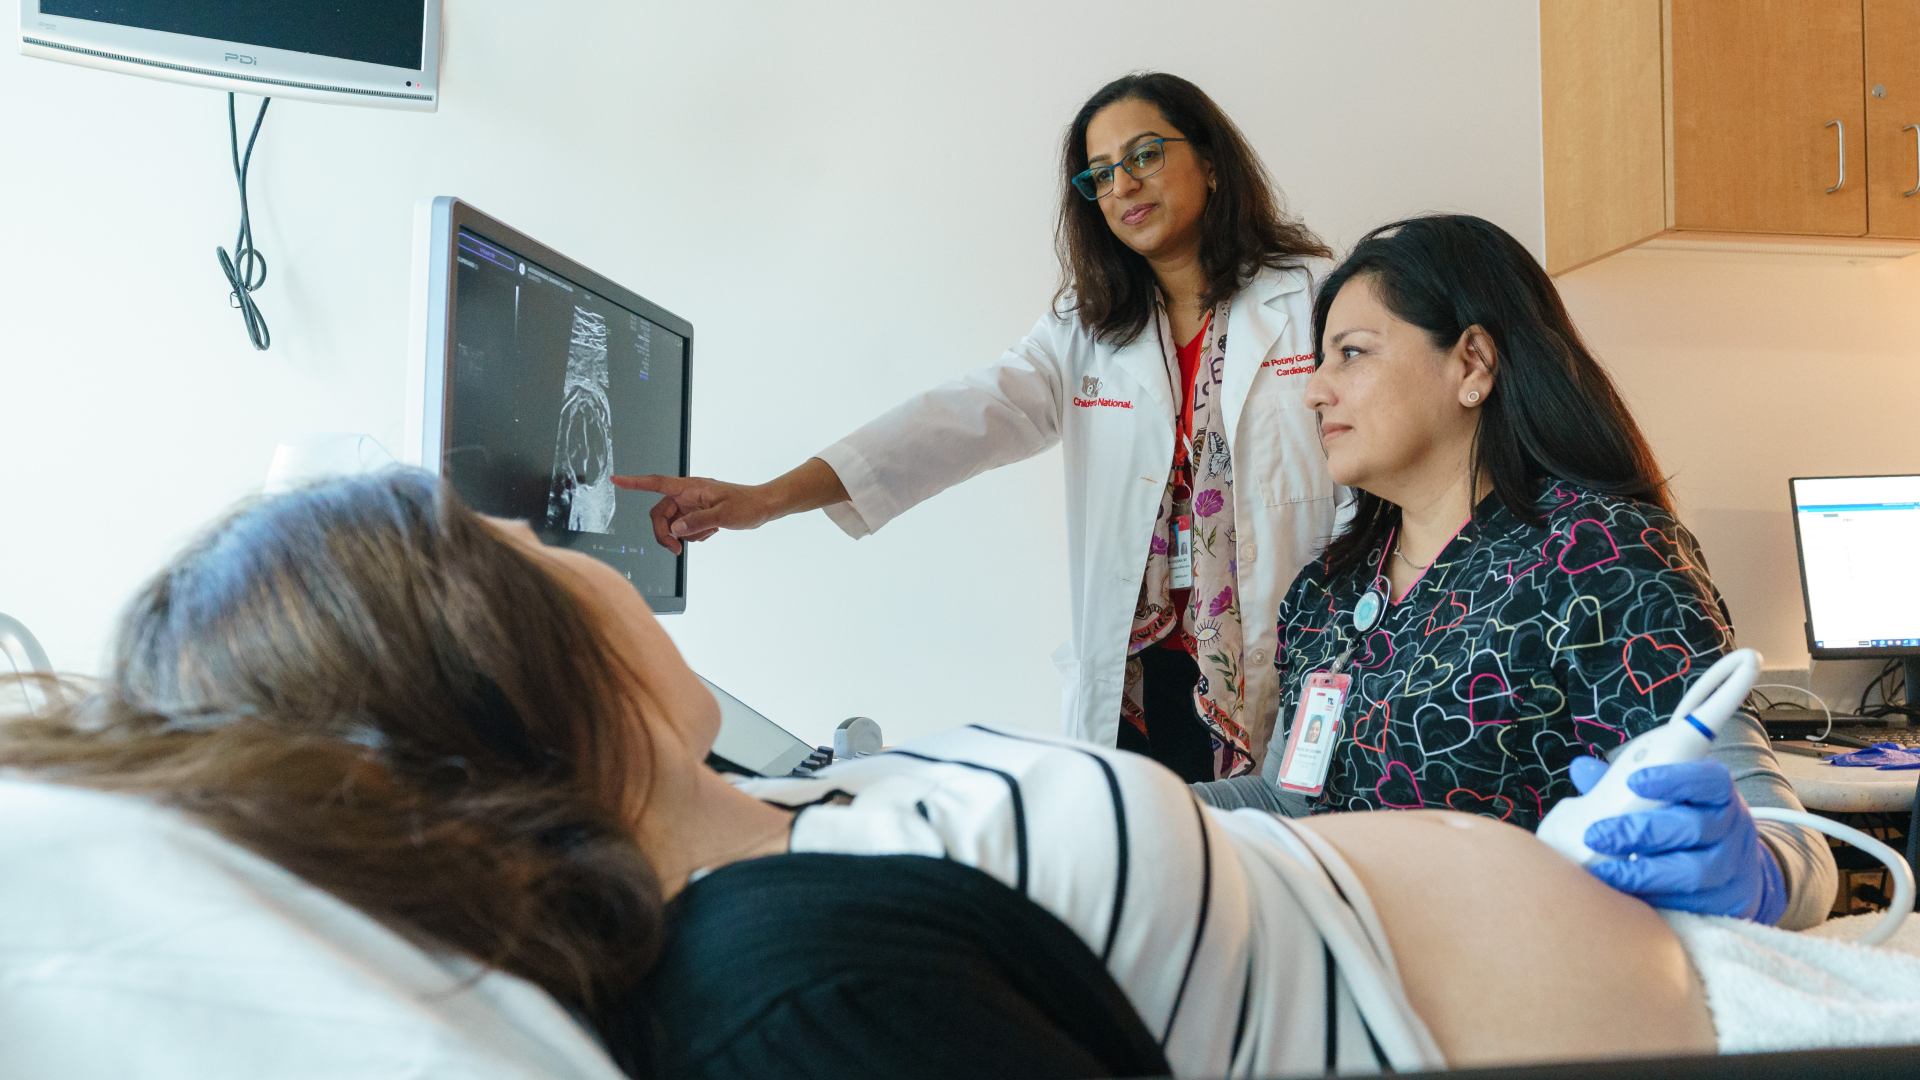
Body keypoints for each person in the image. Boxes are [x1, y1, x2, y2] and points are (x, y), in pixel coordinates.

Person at [7, 473, 1917, 1080]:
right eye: (519, 546)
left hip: (1714, 950)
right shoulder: (789, 988)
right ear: (487, 653)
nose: (580, 553)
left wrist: (1779, 876)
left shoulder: (801, 819)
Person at [613, 72, 1339, 783]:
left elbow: (1369, 494)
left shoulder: (1311, 302)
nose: (1123, 185)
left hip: (1287, 665)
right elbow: (954, 422)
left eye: (1144, 154)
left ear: (1209, 161)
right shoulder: (1085, 331)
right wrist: (765, 499)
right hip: (1138, 690)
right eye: (1100, 174)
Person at [1193, 215, 1836, 930]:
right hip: (1358, 968)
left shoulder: (1598, 558)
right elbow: (1291, 803)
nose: (1314, 391)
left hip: (1530, 977)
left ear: (1472, 364)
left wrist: (1760, 878)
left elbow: (1795, 846)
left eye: (1350, 354)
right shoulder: (1329, 591)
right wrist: (1135, 806)